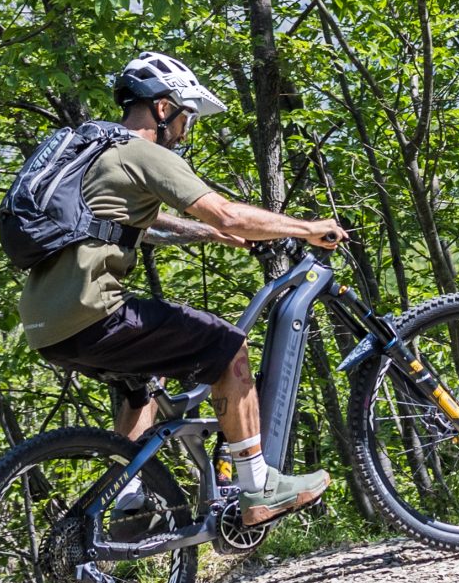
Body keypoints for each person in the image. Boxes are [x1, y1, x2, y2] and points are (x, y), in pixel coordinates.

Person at [17, 52, 346, 525]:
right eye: (186, 115)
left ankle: (128, 502)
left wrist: (206, 234)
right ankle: (259, 488)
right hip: (95, 312)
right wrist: (305, 227)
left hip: (48, 326)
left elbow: (144, 225)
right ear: (164, 109)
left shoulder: (97, 159)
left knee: (140, 389)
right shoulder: (142, 151)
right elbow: (229, 212)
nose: (187, 128)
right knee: (227, 346)